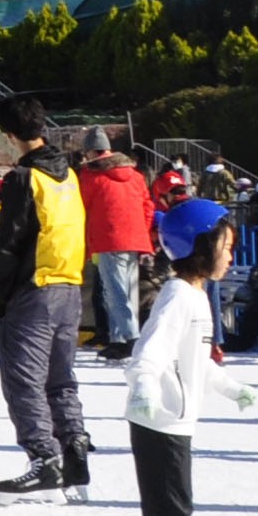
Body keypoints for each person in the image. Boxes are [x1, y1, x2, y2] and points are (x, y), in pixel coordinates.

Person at [125, 196, 258, 516]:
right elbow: (150, 351)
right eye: (226, 247)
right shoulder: (178, 297)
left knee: (174, 510)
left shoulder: (194, 295)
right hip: (158, 420)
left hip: (173, 420)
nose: (231, 255)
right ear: (199, 246)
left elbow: (197, 362)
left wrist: (231, 387)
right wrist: (144, 387)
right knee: (170, 513)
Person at [0, 97, 94, 501]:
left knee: (24, 381)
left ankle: (44, 458)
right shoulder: (69, 174)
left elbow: (11, 242)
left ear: (9, 134)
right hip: (69, 286)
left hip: (34, 290)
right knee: (60, 379)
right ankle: (74, 449)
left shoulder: (23, 178)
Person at [75, 128, 155, 360]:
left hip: (108, 238)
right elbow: (148, 206)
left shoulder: (91, 176)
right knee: (127, 290)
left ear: (90, 151)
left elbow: (81, 207)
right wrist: (141, 230)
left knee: (115, 292)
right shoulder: (136, 175)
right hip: (134, 238)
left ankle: (130, 338)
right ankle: (118, 339)